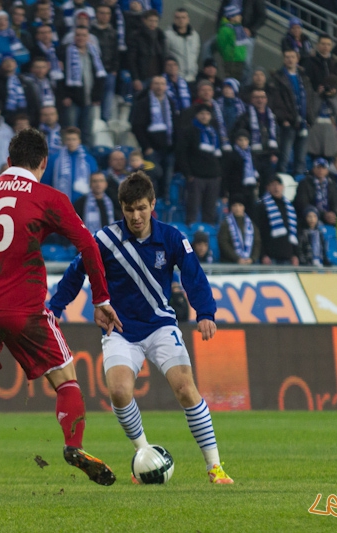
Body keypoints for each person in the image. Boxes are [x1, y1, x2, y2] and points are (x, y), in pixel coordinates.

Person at [0, 128, 122, 491]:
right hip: (24, 309)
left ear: (8, 161)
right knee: (65, 378)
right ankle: (74, 445)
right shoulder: (48, 197)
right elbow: (88, 245)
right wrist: (101, 299)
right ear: (44, 163)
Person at [49, 171, 234, 485]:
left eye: (141, 208)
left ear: (153, 205)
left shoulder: (172, 237)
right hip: (120, 329)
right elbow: (76, 272)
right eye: (129, 209)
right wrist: (55, 308)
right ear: (121, 207)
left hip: (161, 325)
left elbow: (193, 274)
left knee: (185, 389)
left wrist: (205, 312)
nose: (136, 216)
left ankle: (214, 467)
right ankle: (144, 453)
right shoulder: (105, 240)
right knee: (119, 392)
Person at [269, 49, 315, 175]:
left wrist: (310, 119)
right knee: (284, 157)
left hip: (304, 123)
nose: (290, 59)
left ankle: (299, 183)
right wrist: (284, 119)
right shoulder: (278, 78)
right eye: (287, 57)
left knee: (301, 159)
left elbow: (310, 99)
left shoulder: (304, 78)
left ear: (297, 59)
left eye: (292, 57)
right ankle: (281, 183)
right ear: (284, 59)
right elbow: (276, 102)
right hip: (288, 124)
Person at [176, 104, 223, 225]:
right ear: (196, 115)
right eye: (202, 113)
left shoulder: (214, 133)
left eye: (207, 114)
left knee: (210, 210)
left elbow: (220, 156)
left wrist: (219, 174)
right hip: (196, 177)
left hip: (213, 177)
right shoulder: (189, 131)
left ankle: (208, 232)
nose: (204, 116)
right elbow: (182, 154)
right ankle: (191, 231)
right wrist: (188, 174)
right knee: (193, 209)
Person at [60, 26, 106, 147]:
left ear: (88, 37)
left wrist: (97, 96)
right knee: (71, 130)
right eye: (78, 35)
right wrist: (64, 95)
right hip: (72, 99)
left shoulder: (93, 53)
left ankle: (86, 155)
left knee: (87, 132)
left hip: (89, 99)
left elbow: (99, 76)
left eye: (84, 35)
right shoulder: (65, 53)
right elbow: (60, 77)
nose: (80, 38)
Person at [131, 75, 175, 199]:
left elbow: (175, 125)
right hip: (151, 149)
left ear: (166, 86)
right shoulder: (143, 103)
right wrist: (147, 147)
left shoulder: (170, 103)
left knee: (167, 180)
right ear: (151, 86)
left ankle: (165, 202)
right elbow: (137, 127)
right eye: (156, 83)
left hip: (169, 149)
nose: (159, 86)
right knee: (153, 177)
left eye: (162, 84)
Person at [43, 126, 98, 202]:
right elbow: (46, 182)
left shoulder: (89, 160)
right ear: (65, 141)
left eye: (74, 139)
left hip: (83, 204)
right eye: (68, 139)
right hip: (59, 203)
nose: (71, 142)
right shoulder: (54, 159)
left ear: (79, 141)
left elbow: (95, 181)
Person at [255, 176, 299, 265]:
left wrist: (295, 254)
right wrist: (262, 255)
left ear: (282, 187)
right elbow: (258, 232)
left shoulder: (289, 207)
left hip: (288, 257)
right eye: (273, 185)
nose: (276, 188)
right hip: (270, 258)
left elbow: (294, 232)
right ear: (268, 188)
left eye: (278, 185)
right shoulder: (262, 206)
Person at [293, 158, 337, 226]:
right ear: (313, 169)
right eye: (318, 167)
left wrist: (333, 214)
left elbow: (336, 202)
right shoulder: (304, 183)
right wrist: (323, 215)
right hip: (310, 219)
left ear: (327, 170)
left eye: (323, 168)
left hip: (330, 219)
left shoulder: (332, 184)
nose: (321, 170)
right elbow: (303, 204)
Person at [222, 131, 260, 216]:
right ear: (236, 141)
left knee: (251, 214)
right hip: (236, 190)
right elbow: (226, 174)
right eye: (240, 140)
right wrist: (224, 192)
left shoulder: (252, 155)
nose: (243, 142)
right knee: (236, 214)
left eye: (245, 140)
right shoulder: (231, 155)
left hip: (250, 189)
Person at [306, 75, 337, 161]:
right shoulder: (316, 96)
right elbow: (313, 111)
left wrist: (331, 97)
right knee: (314, 157)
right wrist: (319, 96)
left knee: (329, 157)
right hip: (316, 130)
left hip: (330, 131)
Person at [127, 10, 166, 93]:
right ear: (144, 20)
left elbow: (163, 55)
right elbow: (131, 59)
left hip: (157, 77)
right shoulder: (136, 35)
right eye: (151, 21)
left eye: (155, 21)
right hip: (142, 77)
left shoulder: (160, 35)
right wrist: (136, 78)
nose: (153, 23)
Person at [218, 195, 260, 264]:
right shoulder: (225, 224)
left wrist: (252, 259)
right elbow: (224, 243)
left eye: (240, 205)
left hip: (249, 263)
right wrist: (237, 259)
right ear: (231, 207)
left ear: (244, 207)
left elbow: (257, 243)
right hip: (230, 263)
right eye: (234, 205)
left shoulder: (251, 225)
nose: (237, 208)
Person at [217, 5, 251, 84]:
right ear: (232, 17)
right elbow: (221, 45)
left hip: (240, 61)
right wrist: (229, 54)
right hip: (231, 61)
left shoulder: (239, 29)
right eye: (238, 15)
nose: (240, 17)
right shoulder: (225, 29)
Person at [165, 8, 200, 83]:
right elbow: (165, 55)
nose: (181, 20)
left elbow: (196, 53)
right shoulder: (168, 35)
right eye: (178, 18)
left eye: (183, 17)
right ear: (174, 19)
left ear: (188, 19)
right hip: (176, 78)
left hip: (192, 77)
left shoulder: (195, 35)